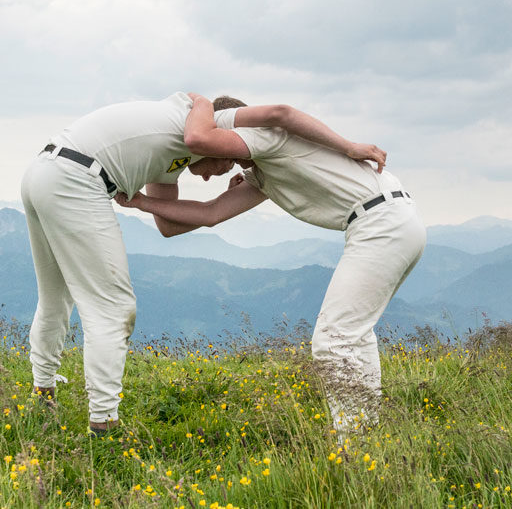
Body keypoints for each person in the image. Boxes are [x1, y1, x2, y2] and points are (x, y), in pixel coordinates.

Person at [21, 92, 385, 436]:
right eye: (229, 160)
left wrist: (153, 204)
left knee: (55, 296)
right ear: (224, 135)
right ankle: (103, 426)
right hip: (77, 179)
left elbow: (167, 227)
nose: (218, 172)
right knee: (113, 309)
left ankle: (43, 394)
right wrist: (349, 146)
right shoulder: (210, 118)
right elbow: (280, 114)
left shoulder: (168, 158)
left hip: (44, 171)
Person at [115, 96, 426, 434]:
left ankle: (354, 442)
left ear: (221, 137)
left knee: (334, 339)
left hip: (380, 222)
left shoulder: (262, 136)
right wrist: (142, 203)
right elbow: (209, 214)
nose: (202, 176)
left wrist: (350, 147)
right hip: (393, 220)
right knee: (351, 335)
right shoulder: (262, 171)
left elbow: (281, 113)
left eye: (196, 164)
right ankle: (366, 432)